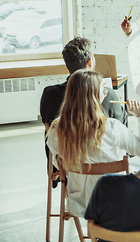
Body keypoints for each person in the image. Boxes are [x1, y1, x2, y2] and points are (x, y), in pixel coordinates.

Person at [46, 70, 140, 217]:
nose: (104, 94)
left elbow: (57, 164)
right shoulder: (112, 127)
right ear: (94, 97)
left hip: (81, 204)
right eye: (102, 91)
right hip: (116, 201)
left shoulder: (56, 130)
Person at [40, 36, 127, 187]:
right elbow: (124, 134)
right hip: (106, 171)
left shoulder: (49, 94)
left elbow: (48, 132)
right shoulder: (108, 95)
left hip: (67, 167)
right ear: (90, 62)